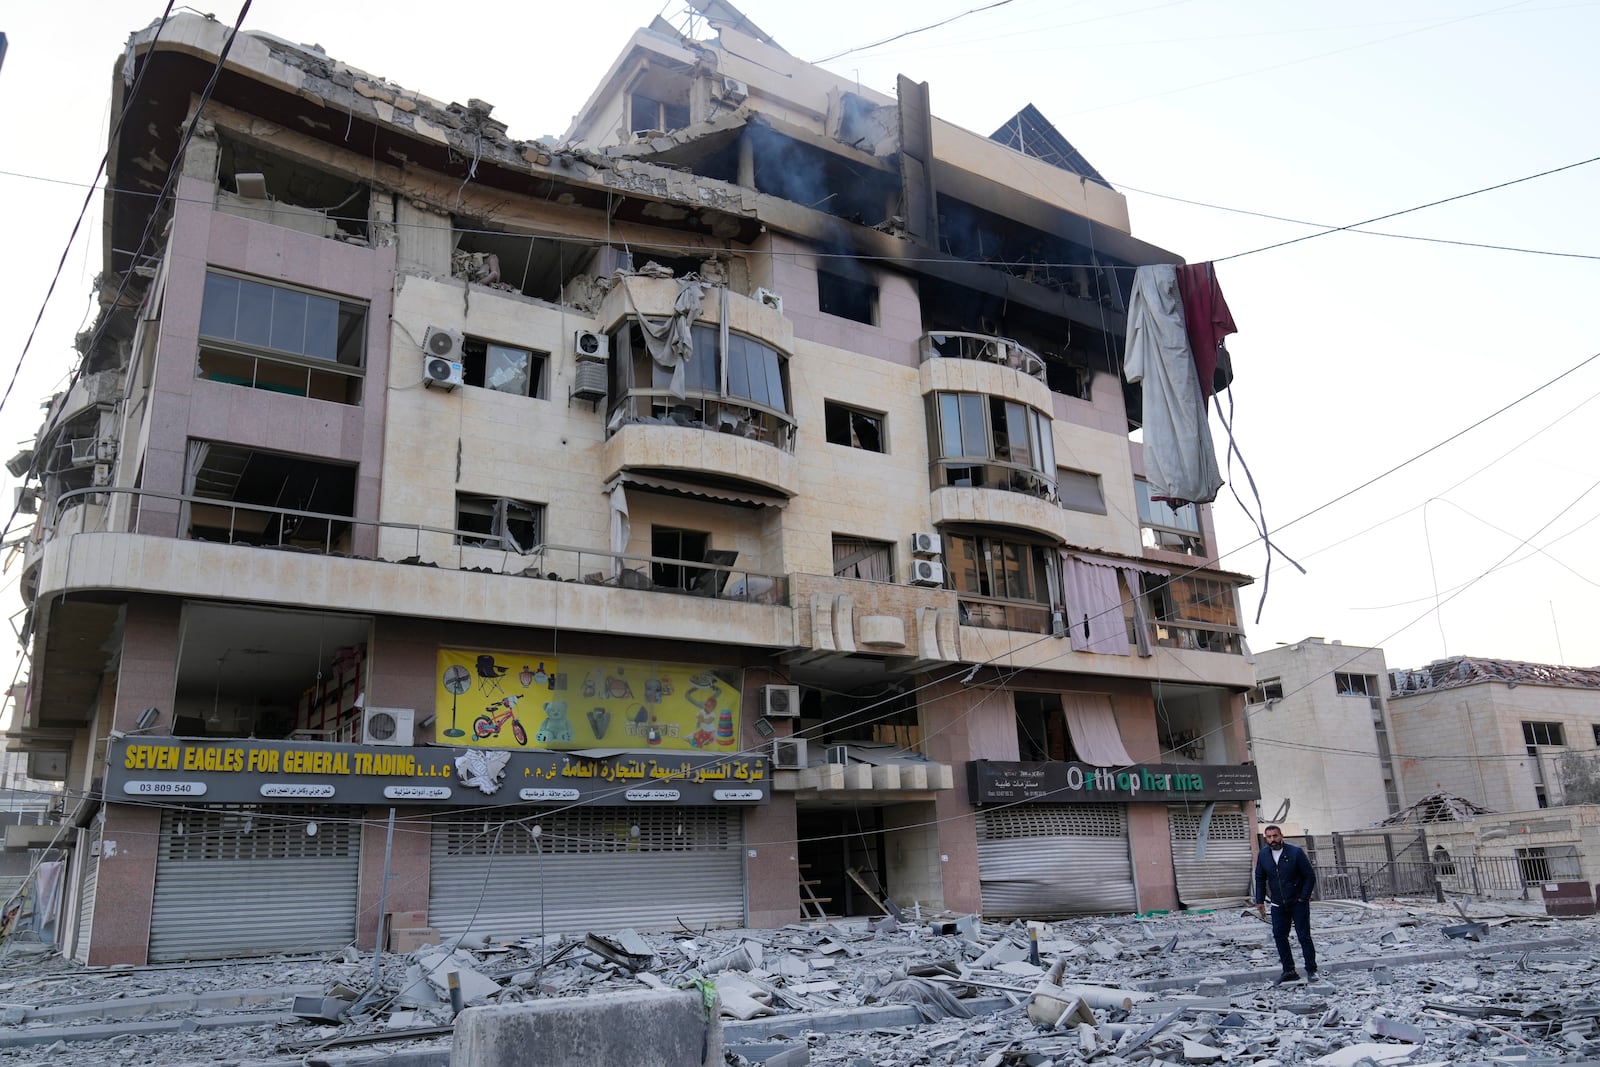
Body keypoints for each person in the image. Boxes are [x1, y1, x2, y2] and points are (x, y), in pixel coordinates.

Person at [1253, 824, 1317, 983]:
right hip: (1277, 904)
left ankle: (1311, 970)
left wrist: (1304, 897)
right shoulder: (1263, 855)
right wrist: (1259, 900)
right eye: (1269, 837)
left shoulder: (1295, 852)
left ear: (1281, 836)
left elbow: (1309, 876)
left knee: (1304, 936)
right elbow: (1260, 878)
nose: (1272, 840)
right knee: (1279, 936)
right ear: (1265, 838)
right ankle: (1289, 970)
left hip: (1298, 902)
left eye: (1275, 836)